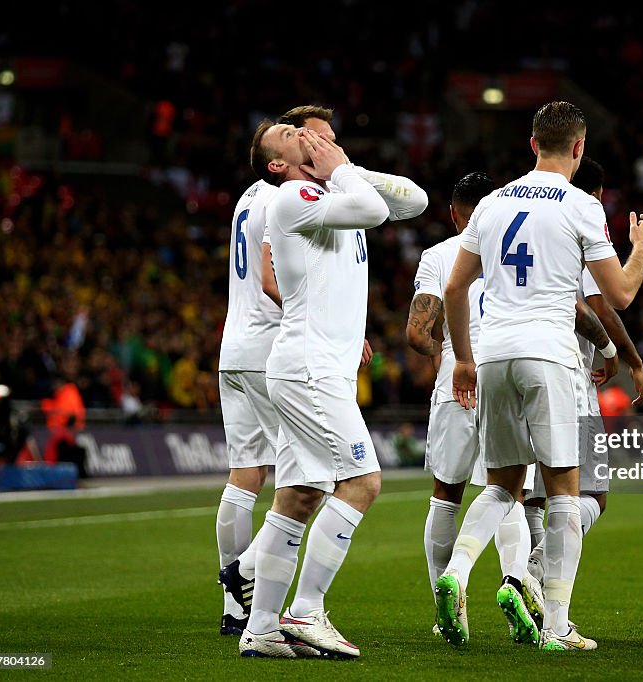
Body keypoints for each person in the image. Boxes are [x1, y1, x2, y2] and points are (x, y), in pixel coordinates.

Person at [434, 101, 643, 652]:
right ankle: (556, 624)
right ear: (578, 149)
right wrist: (642, 250)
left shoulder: (491, 203)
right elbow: (620, 295)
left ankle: (456, 574)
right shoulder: (582, 206)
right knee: (563, 494)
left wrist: (463, 357)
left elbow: (455, 289)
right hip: (549, 354)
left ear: (532, 144)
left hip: (494, 356)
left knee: (502, 486)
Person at [232, 114, 428, 659]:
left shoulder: (329, 187)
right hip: (310, 367)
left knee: (298, 495)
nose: (308, 136)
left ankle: (262, 627)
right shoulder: (291, 195)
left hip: (314, 367)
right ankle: (306, 610)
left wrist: (346, 169)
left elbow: (415, 200)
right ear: (277, 163)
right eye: (292, 135)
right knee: (362, 482)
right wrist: (341, 172)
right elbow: (374, 210)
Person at [409, 171, 554, 644]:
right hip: (505, 373)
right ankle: (516, 587)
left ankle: (444, 607)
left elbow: (416, 334)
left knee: (445, 493)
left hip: (457, 377)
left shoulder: (438, 256)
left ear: (454, 214)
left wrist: (445, 349)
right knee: (507, 489)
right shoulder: (522, 251)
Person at [525, 157, 643, 586]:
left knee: (530, 493)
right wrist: (628, 358)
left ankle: (533, 594)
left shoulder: (523, 216)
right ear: (596, 194)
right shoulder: (581, 222)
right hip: (565, 370)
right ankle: (533, 570)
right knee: (590, 493)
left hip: (509, 362)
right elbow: (606, 302)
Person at [214, 160, 282, 637]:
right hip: (268, 349)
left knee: (245, 475)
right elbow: (272, 279)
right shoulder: (283, 199)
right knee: (309, 475)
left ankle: (233, 606)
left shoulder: (248, 196)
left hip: (233, 349)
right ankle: (250, 578)